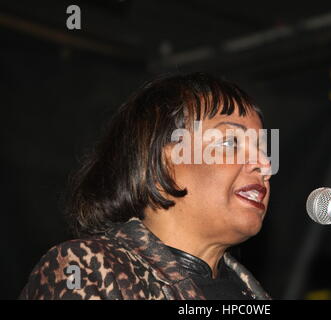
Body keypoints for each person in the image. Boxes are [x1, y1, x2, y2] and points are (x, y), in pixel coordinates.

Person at [19, 72, 272, 300]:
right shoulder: (86, 269)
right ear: (161, 163)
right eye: (230, 143)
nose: (265, 164)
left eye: (262, 149)